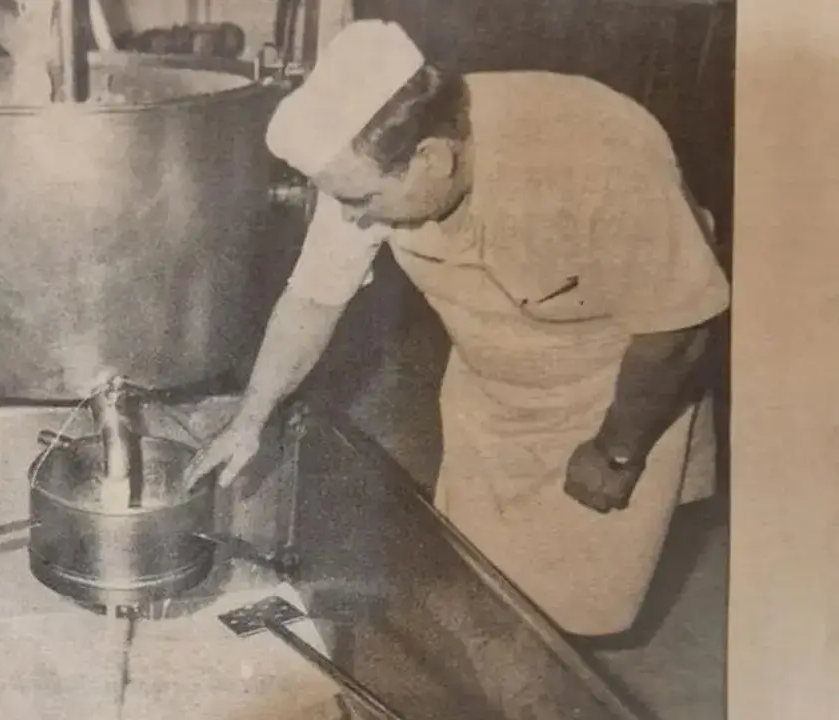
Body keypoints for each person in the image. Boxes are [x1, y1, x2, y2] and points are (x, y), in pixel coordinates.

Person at [182, 19, 730, 637]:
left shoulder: (598, 154)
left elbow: (677, 332)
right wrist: (251, 417)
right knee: (479, 588)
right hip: (490, 392)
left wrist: (619, 451)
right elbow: (313, 296)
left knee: (578, 613)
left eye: (363, 201)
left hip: (611, 391)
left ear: (432, 158)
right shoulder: (370, 157)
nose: (353, 221)